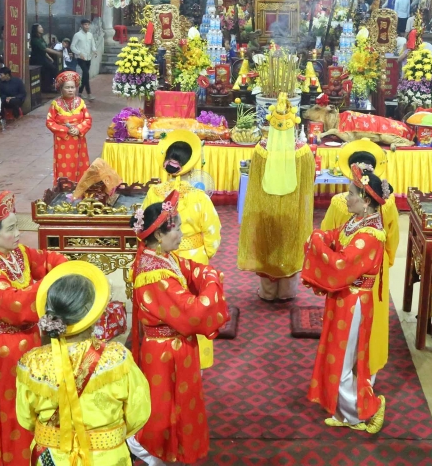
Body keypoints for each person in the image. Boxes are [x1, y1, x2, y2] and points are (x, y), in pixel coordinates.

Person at [0, 191, 69, 466]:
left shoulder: (18, 254)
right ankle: (7, 456)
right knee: (10, 406)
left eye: (16, 226)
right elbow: (15, 306)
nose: (18, 234)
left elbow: (47, 260)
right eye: (10, 229)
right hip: (3, 350)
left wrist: (66, 268)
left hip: (28, 341)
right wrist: (49, 285)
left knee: (31, 401)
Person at [17, 261, 151, 466]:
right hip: (106, 458)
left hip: (51, 458)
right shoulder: (117, 359)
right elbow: (138, 414)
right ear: (92, 312)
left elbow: (25, 419)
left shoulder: (31, 364)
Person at [127, 193, 228, 465]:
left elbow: (193, 269)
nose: (182, 234)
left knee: (174, 404)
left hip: (172, 348)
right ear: (159, 235)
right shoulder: (154, 274)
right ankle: (147, 448)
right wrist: (212, 283)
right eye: (178, 228)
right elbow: (193, 312)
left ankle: (167, 449)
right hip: (164, 353)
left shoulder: (162, 258)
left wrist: (207, 276)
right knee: (163, 408)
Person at [302, 165, 390, 434]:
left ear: (366, 201)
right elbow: (334, 235)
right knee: (337, 356)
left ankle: (366, 410)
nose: (346, 197)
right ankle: (345, 412)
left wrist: (317, 244)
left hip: (353, 303)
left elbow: (341, 265)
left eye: (351, 193)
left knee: (341, 359)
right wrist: (320, 236)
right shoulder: (357, 223)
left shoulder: (370, 236)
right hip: (343, 298)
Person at [319, 140, 400, 377]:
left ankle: (353, 379)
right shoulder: (387, 203)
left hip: (347, 271)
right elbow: (392, 237)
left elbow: (326, 232)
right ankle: (364, 375)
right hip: (376, 269)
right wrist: (386, 261)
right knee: (370, 323)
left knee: (351, 325)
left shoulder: (339, 202)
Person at [142, 130, 221, 369]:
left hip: (161, 258)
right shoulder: (199, 197)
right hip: (194, 257)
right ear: (190, 164)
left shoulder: (153, 193)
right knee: (195, 308)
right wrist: (205, 253)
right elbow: (213, 232)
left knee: (165, 306)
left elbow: (146, 226)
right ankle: (198, 360)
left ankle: (164, 359)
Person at [237, 93, 316, 301]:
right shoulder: (303, 152)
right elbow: (308, 186)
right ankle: (286, 292)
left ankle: (268, 292)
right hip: (293, 210)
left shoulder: (261, 150)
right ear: (294, 126)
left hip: (266, 209)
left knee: (268, 246)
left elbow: (254, 184)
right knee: (289, 246)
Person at [46, 71, 92, 183]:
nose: (70, 90)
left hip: (79, 138)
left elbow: (88, 119)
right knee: (65, 165)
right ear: (61, 89)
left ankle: (80, 187)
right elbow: (49, 122)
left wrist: (78, 129)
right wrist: (66, 130)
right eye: (67, 87)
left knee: (81, 163)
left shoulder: (81, 102)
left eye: (72, 87)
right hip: (63, 141)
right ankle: (65, 187)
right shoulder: (56, 104)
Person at [71, 19, 97, 101]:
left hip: (88, 57)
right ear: (82, 25)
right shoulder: (77, 35)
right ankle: (89, 94)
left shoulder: (90, 35)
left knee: (85, 76)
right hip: (81, 58)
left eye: (88, 25)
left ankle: (80, 93)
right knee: (86, 74)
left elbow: (93, 45)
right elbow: (72, 46)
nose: (87, 26)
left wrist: (94, 50)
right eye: (85, 25)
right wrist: (79, 53)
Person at [30, 23, 60, 93]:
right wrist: (57, 53)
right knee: (53, 69)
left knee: (48, 72)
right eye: (40, 27)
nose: (42, 28)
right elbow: (45, 49)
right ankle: (55, 84)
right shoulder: (35, 40)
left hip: (43, 58)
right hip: (37, 59)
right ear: (36, 29)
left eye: (41, 27)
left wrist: (49, 57)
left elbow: (44, 50)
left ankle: (48, 87)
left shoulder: (41, 38)